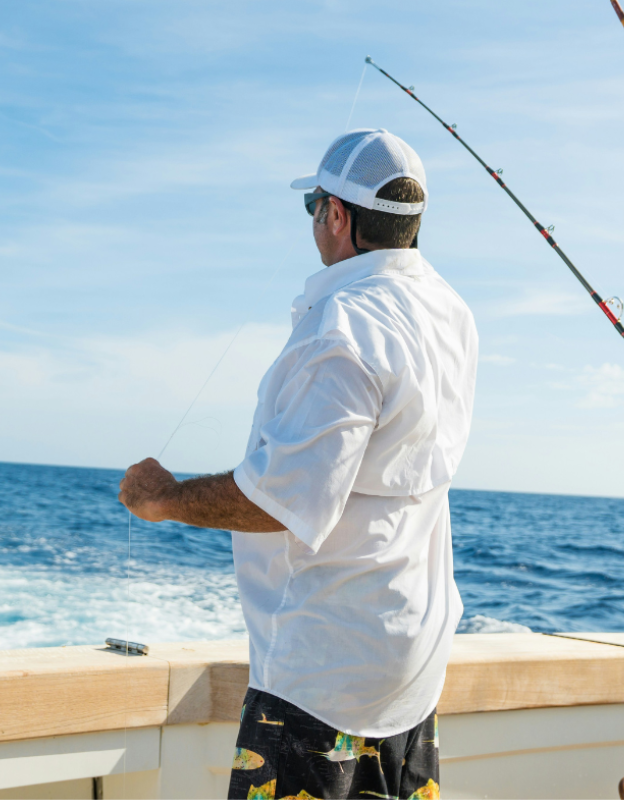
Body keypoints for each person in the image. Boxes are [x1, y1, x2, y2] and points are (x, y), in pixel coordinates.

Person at [119, 128, 477, 800]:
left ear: (336, 216)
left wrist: (161, 498)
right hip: (413, 669)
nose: (315, 217)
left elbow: (281, 500)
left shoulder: (344, 327)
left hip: (322, 683)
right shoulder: (453, 316)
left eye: (315, 204)